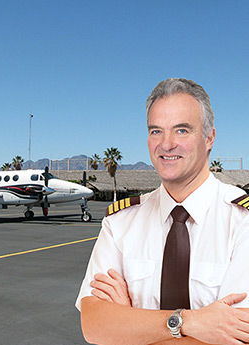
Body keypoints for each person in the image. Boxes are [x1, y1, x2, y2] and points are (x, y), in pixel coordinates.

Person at [76, 78, 249, 345]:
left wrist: (130, 321)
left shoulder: (242, 221)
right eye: (156, 131)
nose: (166, 144)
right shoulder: (120, 222)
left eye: (182, 130)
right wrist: (191, 323)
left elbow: (239, 337)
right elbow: (94, 325)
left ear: (209, 138)